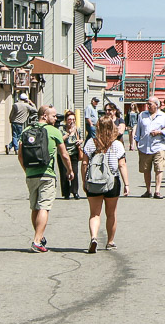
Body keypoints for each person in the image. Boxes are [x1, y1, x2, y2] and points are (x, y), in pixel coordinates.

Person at [17, 104, 70, 253]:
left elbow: (20, 155)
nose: (55, 118)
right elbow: (64, 155)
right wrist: (69, 170)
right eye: (53, 116)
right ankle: (37, 241)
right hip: (47, 174)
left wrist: (26, 170)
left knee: (35, 207)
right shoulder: (54, 131)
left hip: (31, 174)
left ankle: (39, 237)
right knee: (44, 207)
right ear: (44, 116)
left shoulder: (26, 131)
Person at [79, 116, 130, 252]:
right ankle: (110, 241)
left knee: (94, 214)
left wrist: (84, 180)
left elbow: (84, 163)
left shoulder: (91, 143)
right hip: (112, 181)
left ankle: (94, 237)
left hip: (94, 182)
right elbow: (122, 164)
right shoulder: (117, 144)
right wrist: (126, 184)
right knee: (111, 213)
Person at [133, 98, 165, 199]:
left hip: (158, 146)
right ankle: (148, 190)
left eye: (150, 104)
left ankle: (157, 191)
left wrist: (159, 132)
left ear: (157, 105)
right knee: (146, 169)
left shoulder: (163, 116)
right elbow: (139, 129)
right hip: (144, 146)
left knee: (159, 168)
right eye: (148, 104)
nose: (148, 106)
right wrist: (136, 142)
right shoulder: (142, 115)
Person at [59, 111, 83, 199]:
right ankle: (66, 192)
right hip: (63, 153)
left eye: (73, 119)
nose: (71, 121)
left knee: (75, 172)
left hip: (74, 153)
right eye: (69, 119)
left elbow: (81, 139)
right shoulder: (61, 129)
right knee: (64, 172)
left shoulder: (78, 129)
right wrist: (68, 133)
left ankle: (75, 191)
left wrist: (80, 141)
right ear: (66, 120)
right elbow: (59, 140)